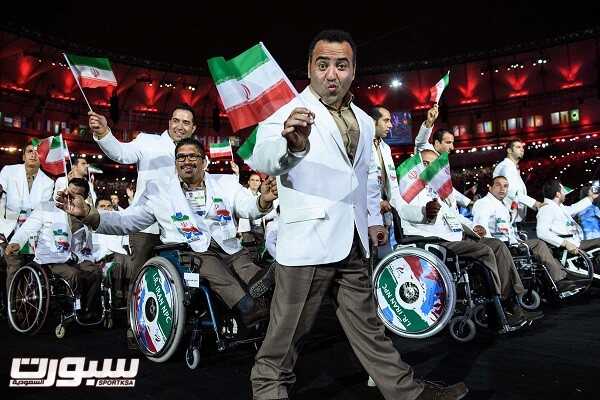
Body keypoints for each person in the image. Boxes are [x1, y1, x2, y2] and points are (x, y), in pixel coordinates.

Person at [248, 29, 467, 400]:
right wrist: (291, 146)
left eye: (340, 65)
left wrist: (374, 221)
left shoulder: (366, 122)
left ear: (353, 71)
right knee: (285, 336)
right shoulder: (286, 113)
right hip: (307, 246)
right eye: (322, 65)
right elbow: (262, 157)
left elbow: (365, 176)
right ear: (310, 69)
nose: (331, 73)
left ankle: (406, 393)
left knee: (369, 328)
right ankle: (268, 391)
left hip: (353, 242)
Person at [56, 138, 277, 326]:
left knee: (245, 265)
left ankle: (263, 286)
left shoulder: (226, 183)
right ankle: (247, 306)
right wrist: (88, 213)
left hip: (227, 247)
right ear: (175, 163)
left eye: (193, 156)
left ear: (204, 161)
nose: (186, 161)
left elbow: (247, 206)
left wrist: (263, 200)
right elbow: (127, 221)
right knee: (211, 265)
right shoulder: (159, 191)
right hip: (188, 253)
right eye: (181, 157)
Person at [402, 150, 540, 328]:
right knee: (485, 250)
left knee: (497, 245)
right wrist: (424, 213)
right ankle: (496, 307)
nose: (432, 169)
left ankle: (511, 300)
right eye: (427, 164)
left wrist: (474, 227)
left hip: (456, 236)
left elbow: (454, 216)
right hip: (437, 242)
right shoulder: (411, 190)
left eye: (435, 165)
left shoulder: (435, 191)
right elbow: (406, 213)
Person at [88, 103, 198, 275]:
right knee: (142, 279)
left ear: (193, 128)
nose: (180, 127)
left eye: (186, 123)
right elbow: (121, 153)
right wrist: (103, 132)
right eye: (176, 121)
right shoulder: (148, 141)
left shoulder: (196, 154)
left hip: (180, 228)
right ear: (169, 123)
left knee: (178, 280)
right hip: (146, 228)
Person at [5, 178, 102, 321]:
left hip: (77, 257)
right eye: (70, 193)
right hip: (51, 259)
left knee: (95, 272)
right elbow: (27, 228)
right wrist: (16, 242)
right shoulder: (46, 208)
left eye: (77, 195)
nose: (71, 198)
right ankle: (74, 307)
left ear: (85, 197)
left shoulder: (87, 214)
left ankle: (86, 309)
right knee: (73, 274)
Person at [472, 176, 577, 292]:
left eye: (505, 186)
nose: (502, 189)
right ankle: (559, 280)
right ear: (490, 187)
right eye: (498, 185)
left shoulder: (501, 205)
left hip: (511, 242)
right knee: (538, 244)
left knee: (542, 245)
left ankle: (557, 278)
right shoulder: (484, 203)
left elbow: (507, 227)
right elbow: (481, 229)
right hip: (499, 246)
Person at [0, 143, 55, 289]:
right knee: (15, 265)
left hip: (31, 230)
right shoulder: (9, 171)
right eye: (30, 151)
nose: (33, 154)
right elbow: (2, 193)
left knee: (28, 267)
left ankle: (23, 304)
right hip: (7, 228)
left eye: (37, 152)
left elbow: (40, 211)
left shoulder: (48, 182)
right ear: (23, 156)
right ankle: (11, 306)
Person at [537, 179, 600, 274]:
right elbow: (542, 232)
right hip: (569, 246)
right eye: (563, 191)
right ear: (558, 194)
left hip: (575, 242)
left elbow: (573, 208)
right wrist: (565, 243)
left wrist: (591, 198)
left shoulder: (557, 207)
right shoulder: (546, 208)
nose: (565, 194)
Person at [413, 105, 471, 207]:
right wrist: (429, 122)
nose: (452, 147)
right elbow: (420, 141)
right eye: (448, 142)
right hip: (427, 208)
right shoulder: (426, 151)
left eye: (452, 143)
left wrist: (467, 202)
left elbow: (447, 189)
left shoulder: (443, 160)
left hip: (445, 209)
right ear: (437, 143)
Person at [369, 106, 403, 252]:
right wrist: (377, 202)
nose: (390, 125)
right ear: (373, 121)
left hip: (386, 213)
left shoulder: (386, 148)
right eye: (386, 120)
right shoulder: (361, 144)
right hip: (368, 213)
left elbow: (391, 184)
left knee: (386, 258)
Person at [493, 140, 544, 223]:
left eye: (522, 147)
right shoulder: (506, 167)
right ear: (509, 151)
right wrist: (536, 203)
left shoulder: (512, 167)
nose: (522, 149)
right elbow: (512, 192)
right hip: (506, 218)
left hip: (512, 218)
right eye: (518, 147)